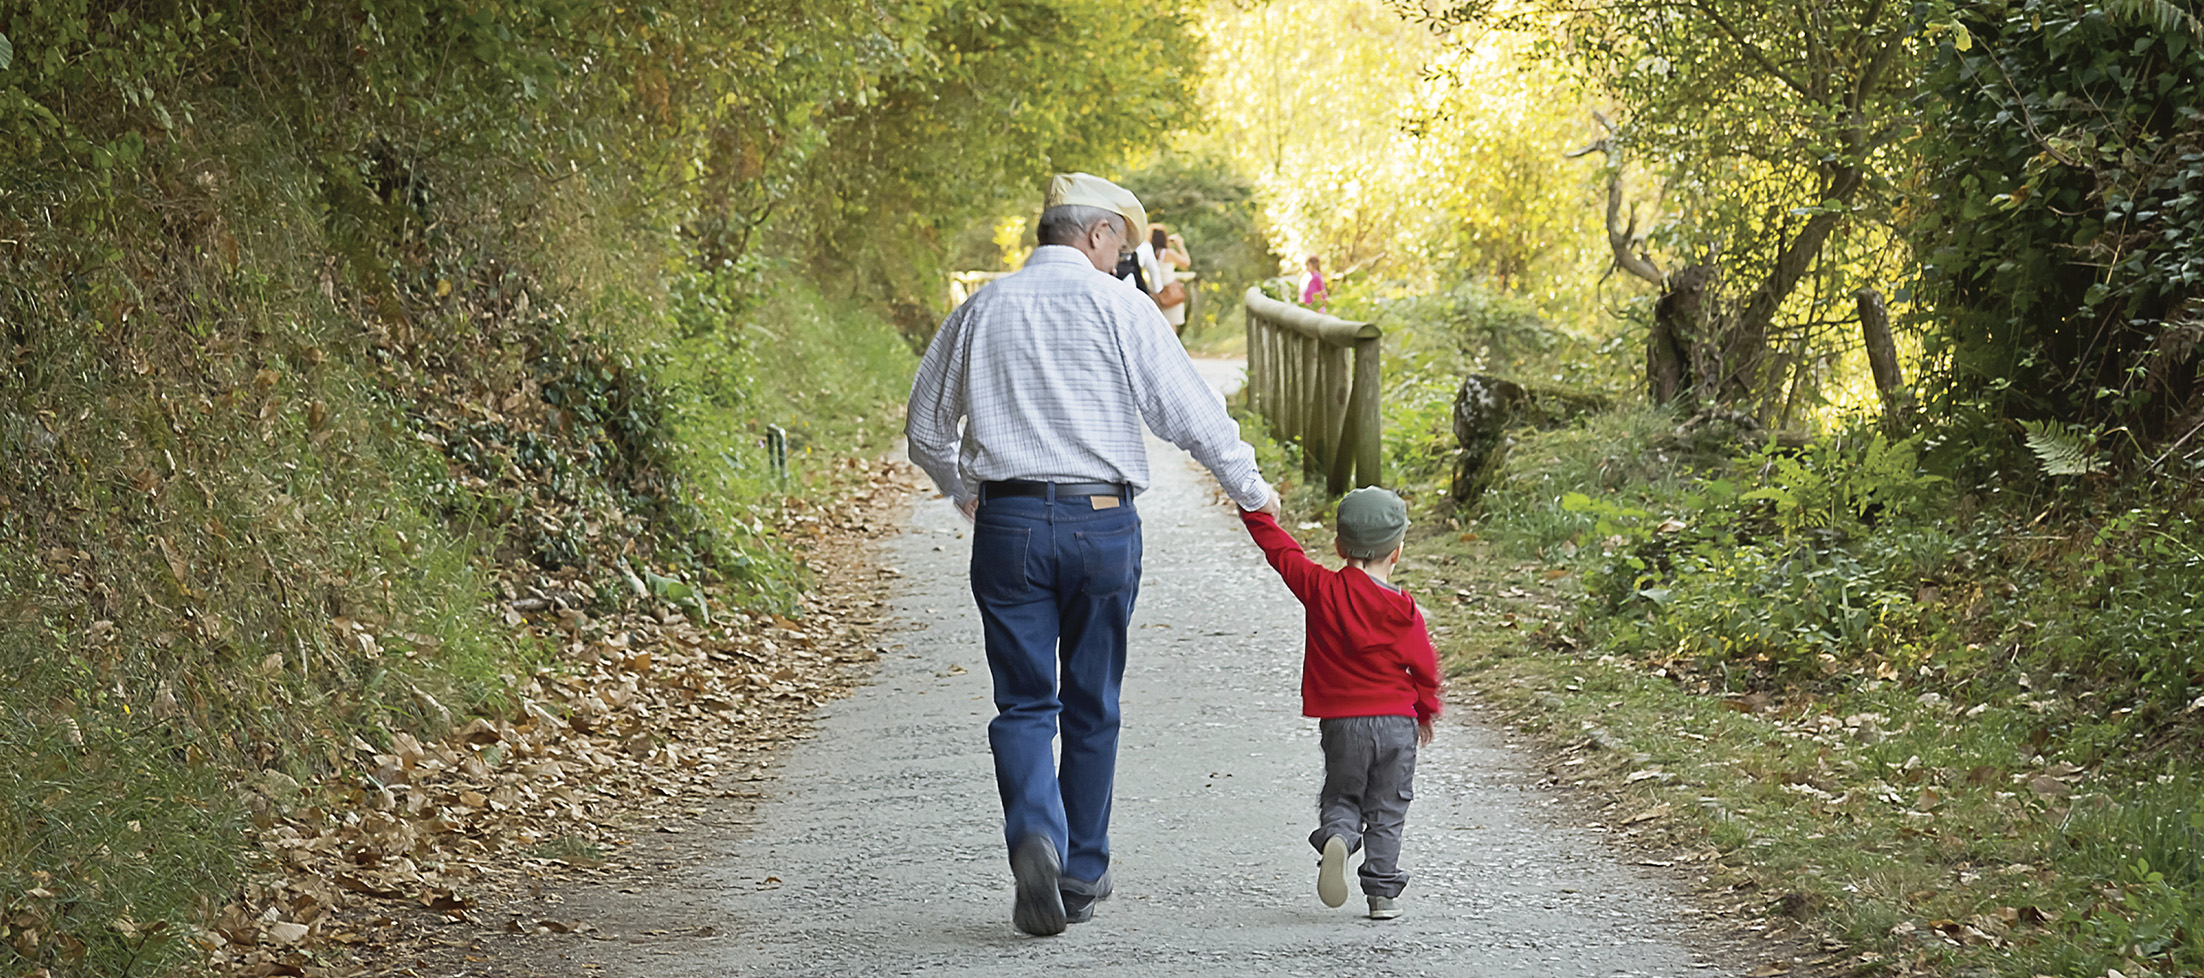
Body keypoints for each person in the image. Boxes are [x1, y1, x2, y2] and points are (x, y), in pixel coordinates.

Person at [906, 172, 1281, 937]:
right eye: (1124, 244)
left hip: (1008, 524)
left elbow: (924, 429)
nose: (1124, 259)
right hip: (1103, 522)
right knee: (1092, 700)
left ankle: (1035, 836)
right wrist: (1251, 490)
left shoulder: (981, 308)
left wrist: (963, 489)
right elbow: (1191, 415)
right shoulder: (1121, 308)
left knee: (1022, 703)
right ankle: (1080, 870)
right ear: (1097, 234)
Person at [1238, 486, 1441, 920]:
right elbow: (1425, 669)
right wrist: (1424, 712)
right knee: (1388, 805)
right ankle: (1382, 896)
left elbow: (1281, 551)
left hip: (1342, 723)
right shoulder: (1404, 611)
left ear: (1338, 545)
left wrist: (1253, 507)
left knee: (1344, 793)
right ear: (1397, 552)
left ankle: (1338, 837)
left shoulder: (1319, 588)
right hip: (1395, 722)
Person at [1149, 225, 1193, 336]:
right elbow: (1186, 263)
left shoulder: (1150, 252)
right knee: (1171, 328)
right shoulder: (1167, 253)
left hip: (1154, 292)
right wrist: (1179, 244)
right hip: (1170, 292)